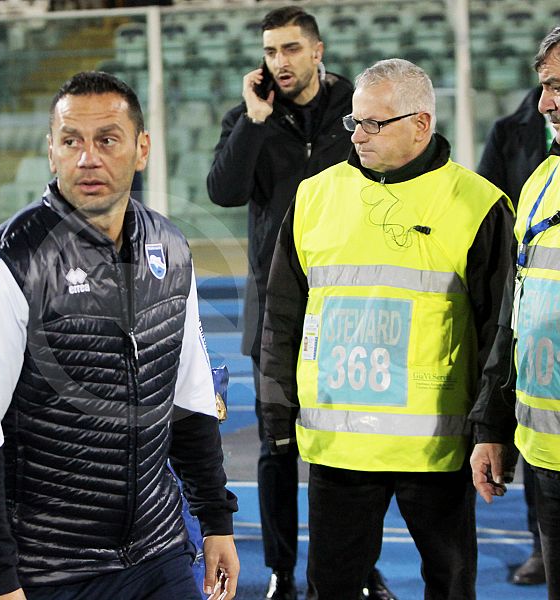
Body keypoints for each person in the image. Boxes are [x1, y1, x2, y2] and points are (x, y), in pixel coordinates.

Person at [0, 71, 239, 600]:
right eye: (71, 141)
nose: (87, 159)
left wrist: (215, 519)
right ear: (51, 152)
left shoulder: (171, 249)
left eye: (107, 140)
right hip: (53, 571)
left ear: (141, 149)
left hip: (159, 550)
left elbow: (189, 396)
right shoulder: (5, 266)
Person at [260, 58, 513, 599]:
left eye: (374, 123)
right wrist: (276, 408)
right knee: (331, 588)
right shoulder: (314, 196)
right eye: (354, 122)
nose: (358, 135)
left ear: (421, 124)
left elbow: (498, 332)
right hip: (338, 448)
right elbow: (282, 314)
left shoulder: (478, 205)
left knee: (450, 586)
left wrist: (490, 428)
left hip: (437, 449)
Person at [206, 8, 397, 599]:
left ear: (318, 51)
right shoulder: (250, 117)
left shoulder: (355, 112)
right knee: (276, 449)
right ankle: (282, 574)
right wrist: (255, 122)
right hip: (274, 308)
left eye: (290, 49)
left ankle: (360, 570)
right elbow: (224, 191)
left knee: (354, 448)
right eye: (270, 51)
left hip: (350, 304)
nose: (279, 62)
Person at [469, 26, 560, 599]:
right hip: (547, 456)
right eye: (545, 86)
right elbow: (513, 317)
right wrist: (493, 427)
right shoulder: (540, 182)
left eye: (559, 87)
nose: (545, 103)